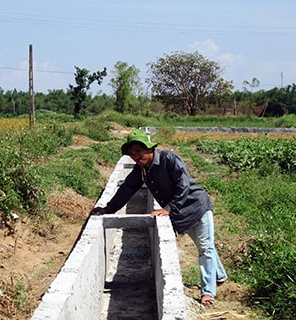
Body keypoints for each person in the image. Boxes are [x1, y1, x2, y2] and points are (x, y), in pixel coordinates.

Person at [91, 129, 227, 306]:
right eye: (131, 154)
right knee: (205, 245)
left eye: (138, 151)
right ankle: (220, 276)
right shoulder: (141, 171)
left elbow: (183, 184)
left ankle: (208, 292)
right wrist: (108, 209)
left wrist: (169, 208)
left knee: (205, 248)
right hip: (180, 212)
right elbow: (127, 189)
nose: (135, 157)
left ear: (149, 149)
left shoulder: (168, 159)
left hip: (196, 207)